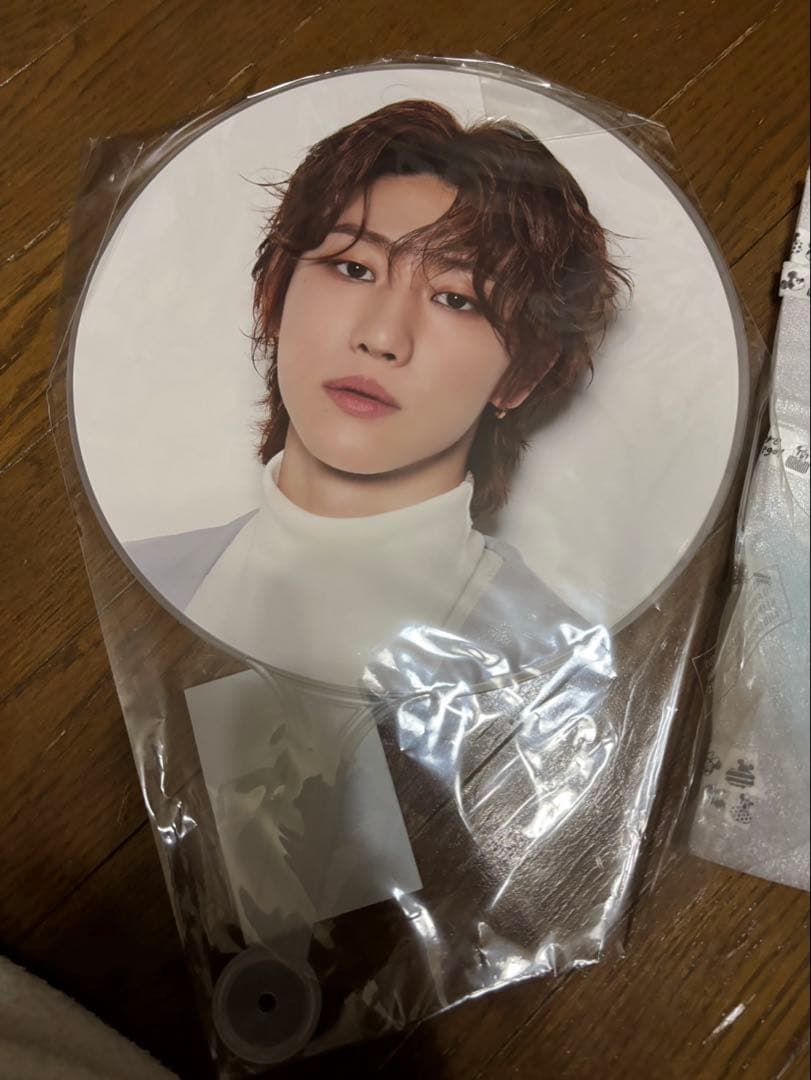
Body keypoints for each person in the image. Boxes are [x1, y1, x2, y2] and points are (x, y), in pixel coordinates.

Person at [127, 99, 629, 688]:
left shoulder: (560, 672)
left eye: (457, 299)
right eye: (354, 269)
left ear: (521, 375)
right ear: (275, 295)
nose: (382, 338)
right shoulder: (133, 586)